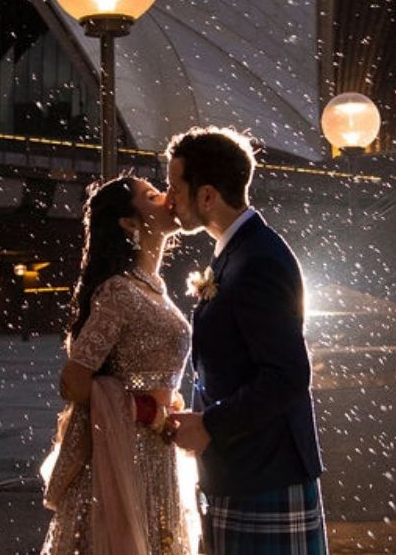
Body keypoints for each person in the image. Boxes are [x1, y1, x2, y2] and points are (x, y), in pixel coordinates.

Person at [162, 127, 326, 554]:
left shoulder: (259, 260)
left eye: (175, 187)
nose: (169, 199)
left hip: (263, 471)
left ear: (208, 196)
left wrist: (210, 425)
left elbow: (288, 374)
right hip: (245, 470)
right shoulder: (238, 252)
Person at [40, 175, 200, 554]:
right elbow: (74, 380)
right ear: (129, 223)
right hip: (119, 461)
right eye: (151, 195)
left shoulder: (152, 288)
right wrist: (143, 409)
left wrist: (165, 409)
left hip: (155, 455)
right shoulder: (120, 291)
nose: (166, 197)